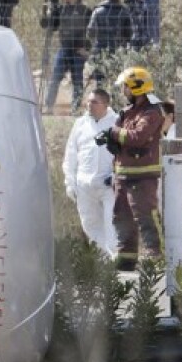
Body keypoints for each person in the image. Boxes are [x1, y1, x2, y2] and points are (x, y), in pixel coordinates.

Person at [96, 67, 165, 271]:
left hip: (142, 177)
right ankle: (126, 258)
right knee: (121, 217)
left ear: (136, 88)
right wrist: (110, 140)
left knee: (146, 216)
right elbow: (122, 136)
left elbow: (138, 137)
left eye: (125, 86)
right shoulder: (126, 112)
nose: (122, 91)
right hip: (123, 174)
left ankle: (155, 257)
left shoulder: (153, 111)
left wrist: (114, 132)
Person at [64, 89, 118, 256]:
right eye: (88, 101)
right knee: (90, 225)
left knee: (113, 224)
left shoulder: (117, 122)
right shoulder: (80, 124)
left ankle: (117, 259)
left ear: (106, 104)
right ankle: (104, 261)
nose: (89, 105)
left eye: (94, 102)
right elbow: (71, 154)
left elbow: (127, 153)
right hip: (84, 186)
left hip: (109, 185)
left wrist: (118, 176)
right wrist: (70, 182)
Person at [41, 0, 91, 113]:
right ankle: (49, 106)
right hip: (64, 49)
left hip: (78, 51)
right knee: (55, 78)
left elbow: (92, 32)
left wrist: (87, 50)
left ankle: (75, 108)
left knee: (77, 80)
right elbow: (51, 26)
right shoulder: (61, 9)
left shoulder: (85, 11)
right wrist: (47, 13)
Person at [86, 0, 134, 83]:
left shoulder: (97, 11)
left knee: (100, 83)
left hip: (100, 52)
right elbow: (129, 34)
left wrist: (95, 42)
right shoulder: (124, 11)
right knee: (115, 82)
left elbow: (90, 32)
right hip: (117, 52)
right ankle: (114, 98)